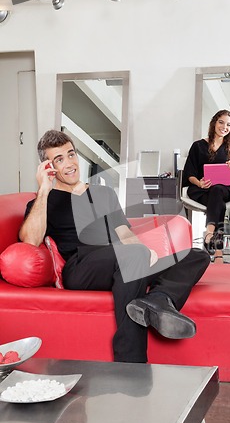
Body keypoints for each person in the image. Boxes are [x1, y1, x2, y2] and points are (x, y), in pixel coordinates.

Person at [19, 130, 211, 363]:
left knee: (197, 255)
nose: (69, 163)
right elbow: (30, 239)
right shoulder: (43, 200)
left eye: (71, 155)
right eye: (59, 160)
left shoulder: (103, 193)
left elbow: (124, 232)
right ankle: (131, 361)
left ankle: (157, 300)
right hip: (82, 267)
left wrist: (144, 252)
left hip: (122, 259)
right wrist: (43, 190)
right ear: (48, 167)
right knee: (132, 256)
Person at [183, 110, 230, 263]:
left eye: (228, 125)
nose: (224, 127)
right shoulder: (198, 146)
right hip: (202, 190)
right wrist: (199, 182)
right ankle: (218, 253)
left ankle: (209, 231)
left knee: (218, 190)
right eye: (221, 122)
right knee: (218, 205)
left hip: (223, 190)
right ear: (214, 123)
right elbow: (189, 172)